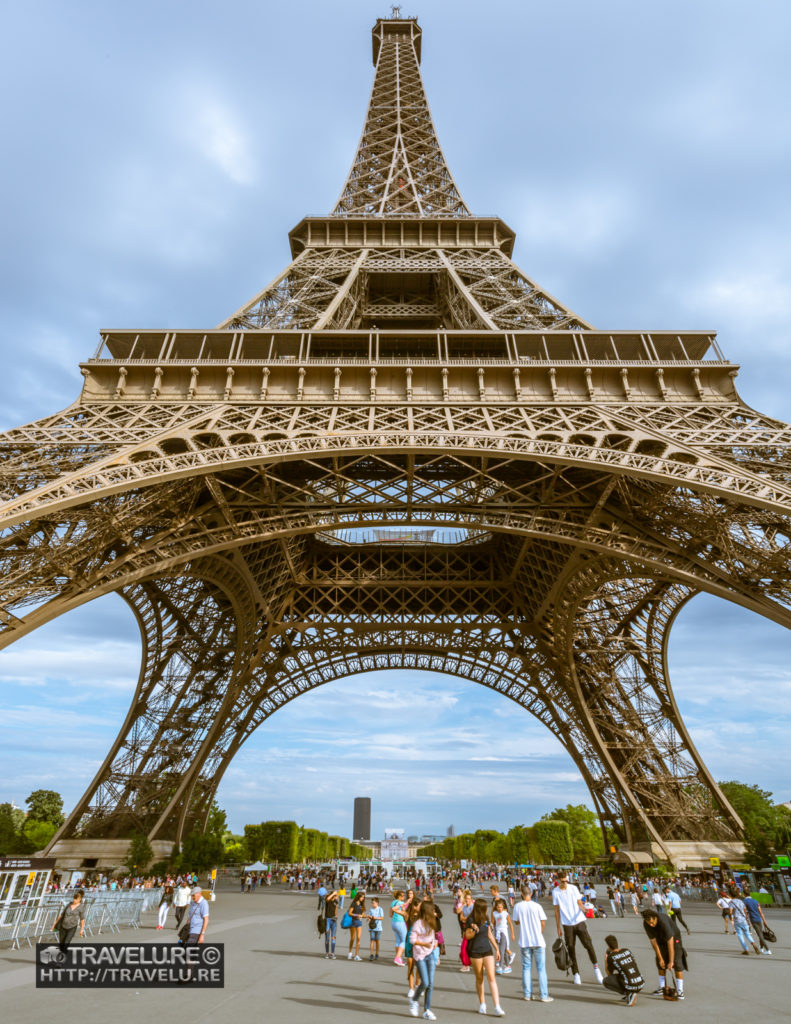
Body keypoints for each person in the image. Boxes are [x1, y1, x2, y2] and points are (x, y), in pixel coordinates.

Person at [552, 871, 604, 985]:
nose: (565, 883)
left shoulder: (573, 888)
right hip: (567, 924)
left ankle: (597, 970)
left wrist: (584, 909)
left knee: (588, 945)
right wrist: (558, 927)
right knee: (571, 948)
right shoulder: (555, 892)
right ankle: (576, 973)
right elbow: (556, 911)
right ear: (558, 880)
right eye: (562, 881)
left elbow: (579, 902)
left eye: (566, 880)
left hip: (579, 921)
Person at [464, 898, 505, 1016]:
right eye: (485, 907)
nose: (487, 909)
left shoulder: (486, 919)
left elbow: (489, 934)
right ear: (481, 908)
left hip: (487, 950)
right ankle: (482, 1004)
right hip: (475, 952)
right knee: (480, 978)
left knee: (492, 978)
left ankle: (497, 1006)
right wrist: (474, 929)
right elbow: (467, 936)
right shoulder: (470, 920)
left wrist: (497, 949)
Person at [512, 883, 552, 1003]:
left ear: (521, 894)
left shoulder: (518, 906)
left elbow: (517, 922)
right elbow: (543, 922)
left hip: (525, 940)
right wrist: (541, 932)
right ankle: (544, 995)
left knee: (526, 968)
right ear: (531, 893)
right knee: (541, 968)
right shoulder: (537, 906)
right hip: (538, 940)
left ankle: (527, 994)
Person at [642, 908, 686, 999]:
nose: (651, 924)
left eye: (652, 922)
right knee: (660, 963)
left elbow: (670, 942)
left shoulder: (663, 922)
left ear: (655, 918)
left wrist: (670, 961)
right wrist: (661, 958)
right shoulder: (646, 924)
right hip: (660, 940)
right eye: (648, 922)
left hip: (674, 939)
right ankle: (662, 987)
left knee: (676, 962)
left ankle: (680, 990)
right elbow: (653, 941)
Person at [409, 899, 439, 1021]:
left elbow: (433, 936)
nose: (434, 911)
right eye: (432, 910)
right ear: (427, 911)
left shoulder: (432, 922)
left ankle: (427, 1010)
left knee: (431, 984)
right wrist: (424, 944)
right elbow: (412, 940)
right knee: (425, 982)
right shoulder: (418, 924)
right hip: (419, 955)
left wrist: (435, 943)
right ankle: (414, 1000)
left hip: (430, 953)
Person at [603, 934, 645, 1006]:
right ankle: (630, 993)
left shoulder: (611, 957)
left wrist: (606, 959)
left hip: (631, 985)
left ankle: (629, 993)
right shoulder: (627, 950)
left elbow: (609, 974)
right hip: (640, 983)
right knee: (624, 973)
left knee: (606, 981)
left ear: (609, 946)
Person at [52, 888, 86, 954]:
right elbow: (62, 914)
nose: (74, 900)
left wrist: (81, 929)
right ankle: (63, 952)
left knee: (66, 942)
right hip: (63, 926)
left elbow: (82, 919)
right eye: (74, 898)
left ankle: (61, 960)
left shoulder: (81, 907)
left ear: (80, 899)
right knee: (62, 943)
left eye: (76, 899)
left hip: (72, 927)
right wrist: (54, 924)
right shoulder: (69, 904)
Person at [492, 898, 514, 975]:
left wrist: (512, 934)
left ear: (503, 907)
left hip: (504, 932)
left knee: (501, 949)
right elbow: (492, 923)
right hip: (497, 932)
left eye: (501, 907)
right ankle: (508, 966)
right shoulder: (494, 913)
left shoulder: (505, 913)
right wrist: (492, 933)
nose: (499, 909)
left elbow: (510, 923)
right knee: (504, 950)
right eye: (498, 907)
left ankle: (500, 966)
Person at [391, 889, 409, 966]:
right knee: (404, 941)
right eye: (402, 895)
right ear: (399, 896)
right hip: (400, 922)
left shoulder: (393, 902)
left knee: (398, 940)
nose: (404, 897)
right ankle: (398, 957)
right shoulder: (401, 903)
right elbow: (404, 913)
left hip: (394, 922)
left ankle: (398, 958)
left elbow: (390, 914)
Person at [347, 890, 365, 960]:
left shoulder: (362, 905)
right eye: (362, 897)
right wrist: (356, 915)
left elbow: (362, 914)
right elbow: (350, 913)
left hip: (359, 922)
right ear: (358, 897)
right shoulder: (354, 904)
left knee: (358, 938)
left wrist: (365, 916)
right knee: (352, 938)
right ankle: (350, 953)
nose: (363, 899)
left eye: (363, 897)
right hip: (353, 922)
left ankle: (356, 955)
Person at [324, 888, 339, 958]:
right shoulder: (328, 900)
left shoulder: (336, 901)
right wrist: (333, 893)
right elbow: (327, 899)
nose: (337, 896)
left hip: (334, 920)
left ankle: (332, 953)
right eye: (336, 895)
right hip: (327, 919)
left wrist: (336, 916)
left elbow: (336, 910)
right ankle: (327, 953)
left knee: (333, 937)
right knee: (327, 937)